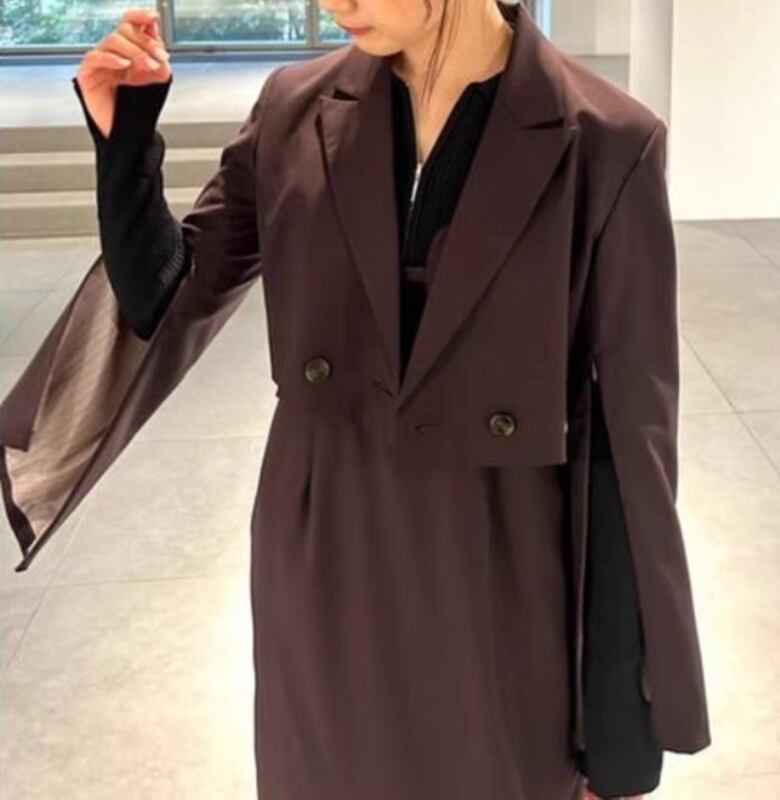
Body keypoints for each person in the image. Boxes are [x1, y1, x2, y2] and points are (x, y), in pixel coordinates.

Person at [0, 1, 711, 798]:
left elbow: (630, 452)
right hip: (320, 559)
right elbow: (170, 300)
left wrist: (620, 740)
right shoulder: (296, 108)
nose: (335, 4)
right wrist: (125, 143)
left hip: (499, 582)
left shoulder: (608, 141)